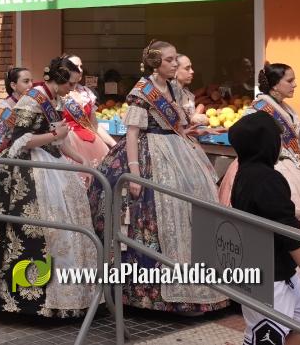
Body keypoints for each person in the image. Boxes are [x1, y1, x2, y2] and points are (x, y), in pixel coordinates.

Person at [0, 57, 97, 318]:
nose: (72, 89)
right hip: (27, 171)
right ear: (59, 80)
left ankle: (67, 295)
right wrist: (55, 136)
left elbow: (57, 139)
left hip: (50, 163)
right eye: (70, 84)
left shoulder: (53, 99)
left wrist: (79, 158)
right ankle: (17, 296)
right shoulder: (32, 99)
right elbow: (21, 140)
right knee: (24, 232)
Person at [88, 40, 230, 314]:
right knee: (152, 217)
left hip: (179, 152)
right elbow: (131, 134)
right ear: (156, 63)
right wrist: (135, 172)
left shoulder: (175, 88)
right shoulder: (141, 92)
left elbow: (178, 122)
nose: (175, 63)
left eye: (176, 59)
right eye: (170, 60)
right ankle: (150, 294)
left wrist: (189, 130)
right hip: (148, 153)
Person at [218, 63, 300, 311]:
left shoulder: (287, 109)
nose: (295, 84)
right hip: (269, 170)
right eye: (290, 80)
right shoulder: (258, 109)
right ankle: (290, 289)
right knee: (281, 227)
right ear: (275, 84)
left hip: (291, 169)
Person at [229, 112, 300, 345]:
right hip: (270, 277)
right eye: (276, 139)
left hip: (269, 270)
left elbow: (259, 211)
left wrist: (291, 214)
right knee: (265, 338)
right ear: (266, 144)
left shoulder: (244, 173)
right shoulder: (268, 178)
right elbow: (289, 235)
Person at [62, 54, 117, 169]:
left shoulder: (86, 92)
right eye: (75, 67)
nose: (80, 70)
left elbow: (94, 125)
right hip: (68, 143)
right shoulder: (59, 93)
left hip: (91, 142)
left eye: (81, 66)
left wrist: (113, 144)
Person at [0, 67, 32, 157]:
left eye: (31, 81)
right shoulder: (4, 110)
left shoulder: (31, 103)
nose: (31, 85)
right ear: (13, 85)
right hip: (7, 158)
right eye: (26, 81)